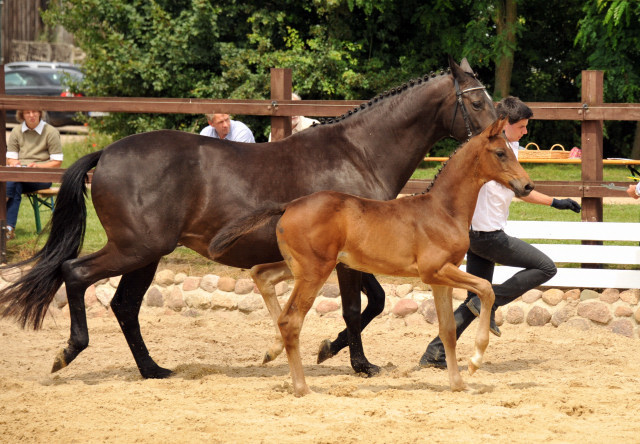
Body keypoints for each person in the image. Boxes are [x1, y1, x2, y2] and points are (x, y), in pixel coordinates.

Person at [419, 96, 582, 369]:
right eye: (522, 126)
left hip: (478, 236)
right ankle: (490, 301)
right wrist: (556, 202)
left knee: (474, 300)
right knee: (545, 267)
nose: (526, 131)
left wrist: (556, 202)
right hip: (487, 237)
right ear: (505, 125)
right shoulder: (493, 155)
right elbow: (523, 191)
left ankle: (434, 354)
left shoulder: (506, 149)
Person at [5, 109, 63, 240]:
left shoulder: (51, 132)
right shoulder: (16, 131)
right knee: (16, 184)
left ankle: (4, 202)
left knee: (12, 182)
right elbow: (10, 159)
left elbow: (57, 162)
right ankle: (8, 230)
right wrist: (15, 163)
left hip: (41, 176)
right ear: (21, 115)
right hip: (19, 177)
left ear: (40, 113)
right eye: (27, 112)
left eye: (35, 111)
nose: (31, 115)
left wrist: (38, 166)